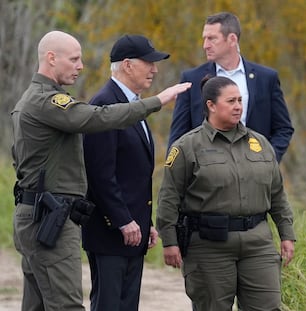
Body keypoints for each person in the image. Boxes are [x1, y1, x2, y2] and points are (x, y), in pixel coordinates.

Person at [11, 30, 191, 311]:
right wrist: (157, 101)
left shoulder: (37, 100)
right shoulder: (46, 101)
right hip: (50, 217)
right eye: (74, 59)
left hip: (43, 213)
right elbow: (98, 119)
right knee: (66, 306)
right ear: (51, 58)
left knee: (38, 306)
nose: (80, 66)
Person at [156, 76, 296, 311]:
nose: (238, 106)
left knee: (268, 306)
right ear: (211, 105)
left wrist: (286, 233)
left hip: (257, 243)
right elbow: (169, 198)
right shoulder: (187, 146)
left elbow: (277, 194)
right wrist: (169, 242)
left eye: (240, 100)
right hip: (209, 245)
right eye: (231, 101)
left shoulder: (260, 143)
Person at [81, 34, 169, 311]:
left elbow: (133, 174)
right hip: (110, 234)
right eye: (149, 63)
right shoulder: (105, 104)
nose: (154, 70)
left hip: (132, 232)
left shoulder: (132, 105)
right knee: (108, 306)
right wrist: (122, 220)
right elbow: (100, 174)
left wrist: (145, 221)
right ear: (128, 65)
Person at [168, 11, 294, 163]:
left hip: (254, 175)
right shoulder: (192, 79)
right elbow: (178, 135)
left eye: (212, 39)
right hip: (206, 176)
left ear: (232, 39)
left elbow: (283, 128)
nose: (205, 45)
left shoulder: (266, 78)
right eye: (204, 39)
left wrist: (268, 160)